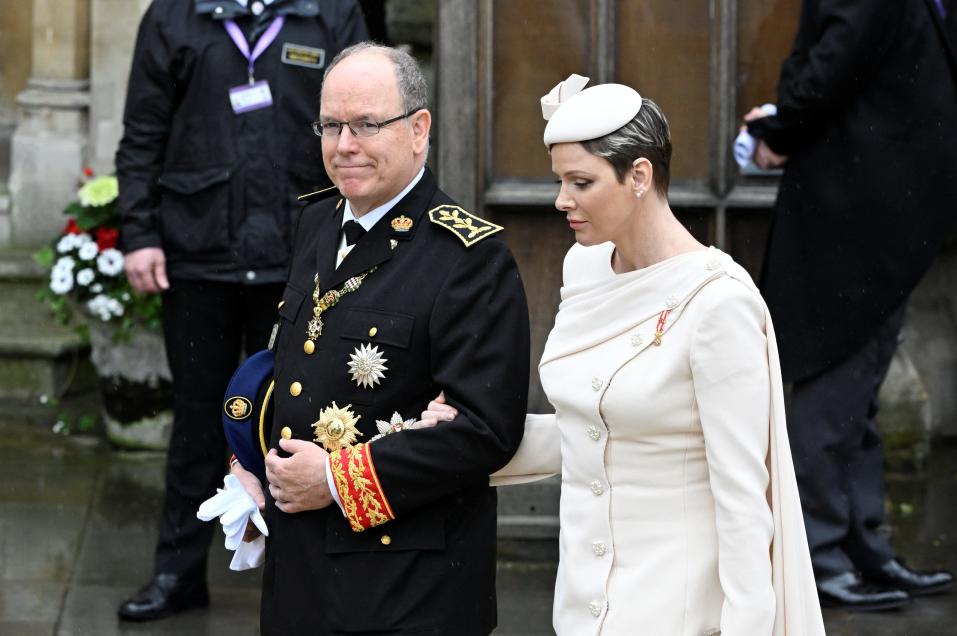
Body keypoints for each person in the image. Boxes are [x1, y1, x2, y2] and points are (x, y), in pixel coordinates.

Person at [423, 75, 826, 635]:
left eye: (580, 182)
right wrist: (470, 437)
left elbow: (744, 505)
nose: (561, 200)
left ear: (639, 175)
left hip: (678, 614)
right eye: (560, 180)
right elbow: (592, 430)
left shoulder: (720, 305)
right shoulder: (583, 266)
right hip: (583, 606)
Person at [229, 43, 530, 634]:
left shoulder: (469, 258)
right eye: (332, 125)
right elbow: (293, 365)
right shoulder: (317, 221)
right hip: (301, 578)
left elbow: (485, 429)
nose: (345, 145)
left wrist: (337, 482)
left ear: (419, 130)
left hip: (407, 589)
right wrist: (248, 463)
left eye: (367, 125)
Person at [114, 0, 368, 621]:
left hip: (300, 256)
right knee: (198, 418)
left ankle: (304, 575)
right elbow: (143, 131)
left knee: (304, 422)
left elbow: (364, 124)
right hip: (198, 252)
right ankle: (177, 573)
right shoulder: (173, 16)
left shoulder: (330, 14)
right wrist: (140, 233)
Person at [744, 0, 957, 611]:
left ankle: (847, 550)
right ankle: (837, 554)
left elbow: (831, 69)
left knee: (846, 387)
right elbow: (834, 69)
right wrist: (778, 126)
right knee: (840, 387)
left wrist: (777, 127)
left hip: (875, 209)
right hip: (872, 208)